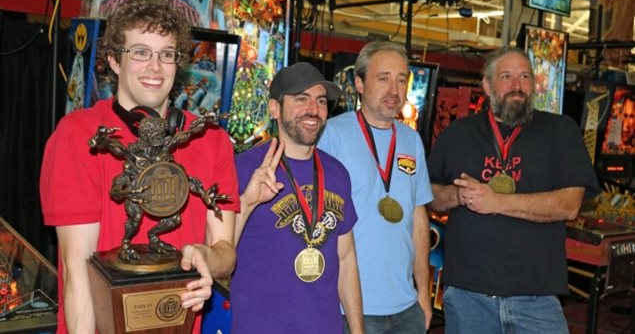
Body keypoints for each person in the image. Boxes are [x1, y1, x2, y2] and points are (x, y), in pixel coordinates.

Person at [39, 0, 239, 333]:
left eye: (166, 54)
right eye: (141, 52)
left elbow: (226, 252)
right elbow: (77, 270)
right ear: (115, 60)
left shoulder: (211, 139)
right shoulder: (78, 136)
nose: (155, 67)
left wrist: (205, 256)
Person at [426, 46, 600, 333]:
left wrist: (496, 202)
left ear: (534, 84)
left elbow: (570, 204)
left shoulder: (560, 131)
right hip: (468, 297)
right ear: (487, 84)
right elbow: (429, 193)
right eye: (506, 76)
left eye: (524, 77)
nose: (516, 86)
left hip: (537, 299)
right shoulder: (457, 133)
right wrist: (456, 196)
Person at [231, 62, 364, 333]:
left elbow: (347, 259)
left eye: (321, 101)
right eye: (301, 99)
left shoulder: (337, 173)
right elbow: (219, 252)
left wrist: (358, 330)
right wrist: (247, 201)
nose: (313, 110)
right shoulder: (243, 169)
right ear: (274, 108)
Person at [318, 41, 433, 333]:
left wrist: (423, 293)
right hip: (347, 307)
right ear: (359, 83)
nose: (394, 91)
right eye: (383, 79)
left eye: (401, 80)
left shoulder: (411, 141)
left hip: (406, 308)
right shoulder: (331, 135)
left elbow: (418, 220)